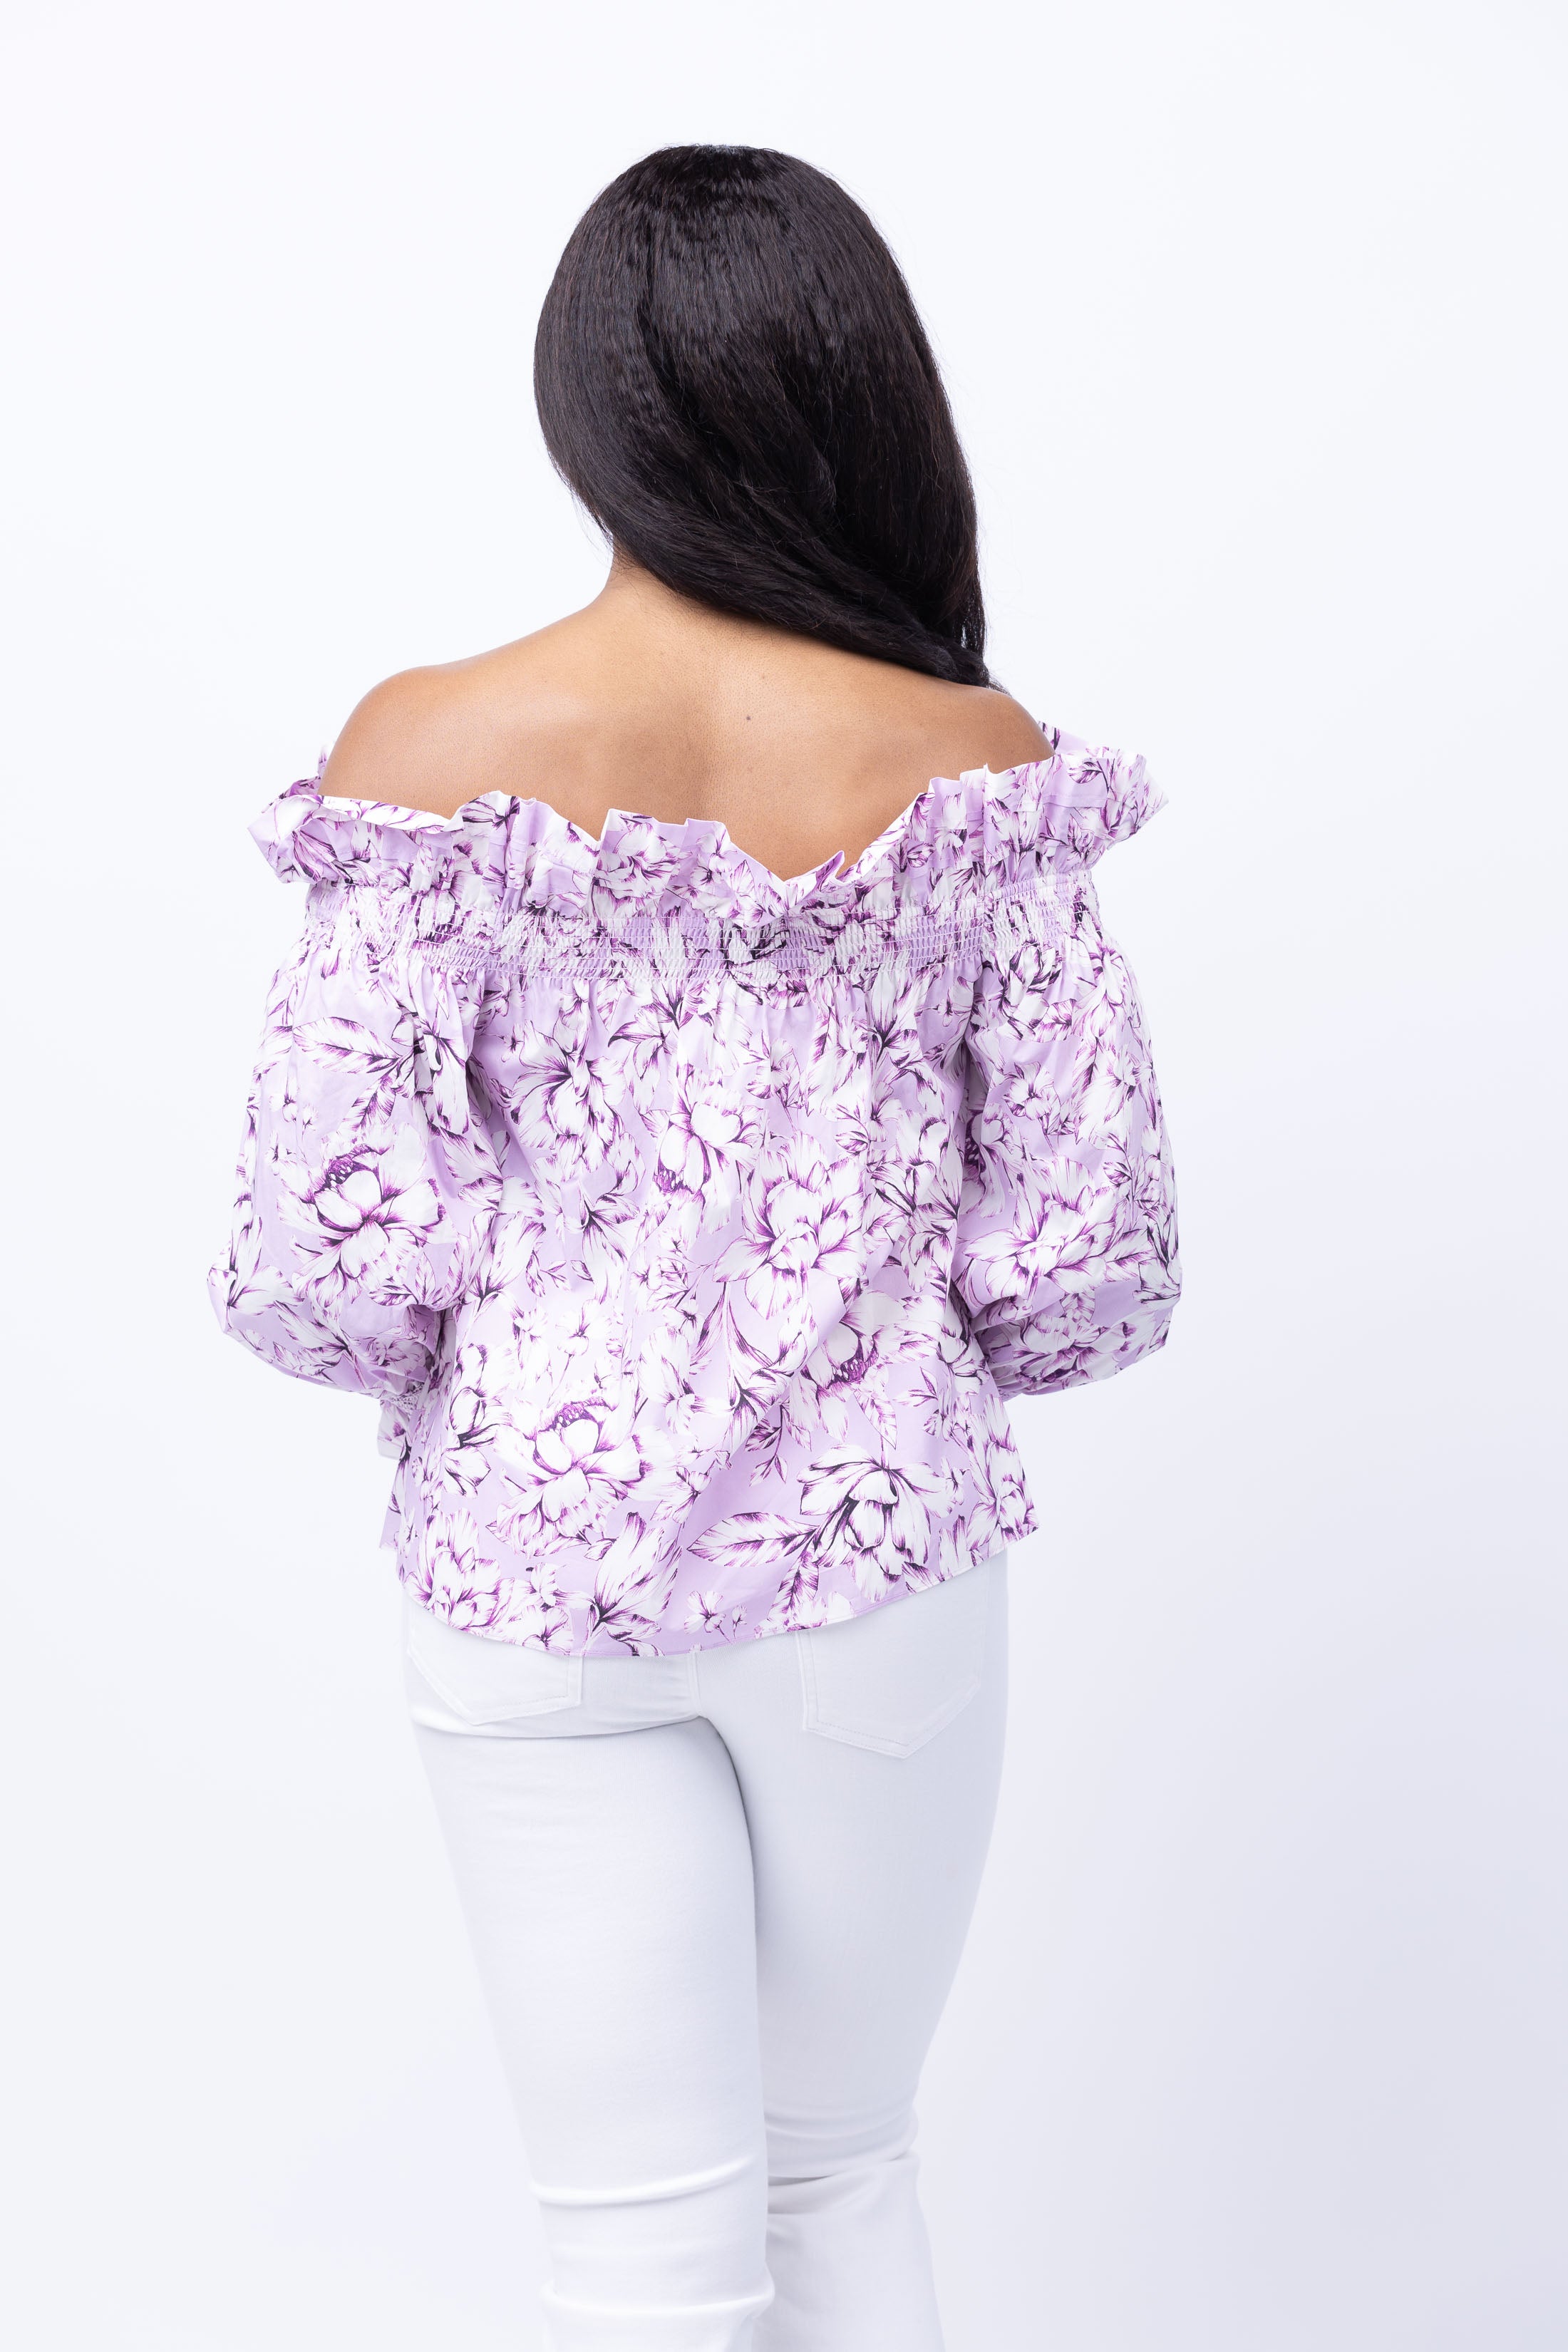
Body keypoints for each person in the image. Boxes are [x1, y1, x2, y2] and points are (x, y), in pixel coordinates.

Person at [210, 143, 1181, 2352]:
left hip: (531, 1582)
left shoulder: (423, 751)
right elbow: (1090, 1254)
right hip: (880, 1576)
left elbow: (311, 1256)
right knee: (843, 2172)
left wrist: (522, 1346)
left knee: (631, 2262)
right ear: (852, 392)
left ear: (592, 410)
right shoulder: (976, 760)